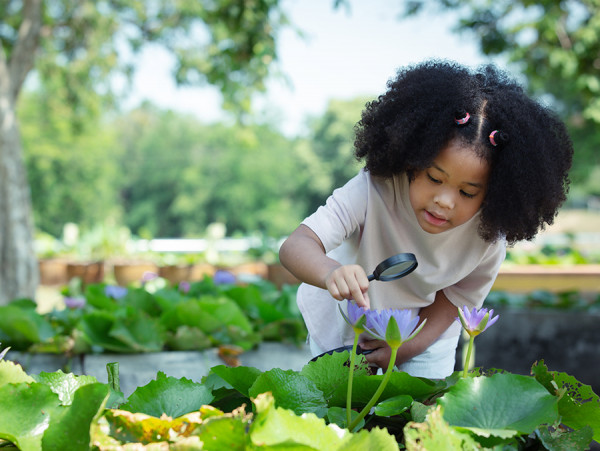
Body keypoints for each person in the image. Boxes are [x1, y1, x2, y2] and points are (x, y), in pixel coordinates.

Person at [278, 60, 573, 379]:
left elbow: (454, 301)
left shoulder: (488, 236)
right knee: (339, 410)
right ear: (411, 160)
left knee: (417, 420)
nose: (445, 201)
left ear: (495, 194)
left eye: (468, 192)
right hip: (345, 324)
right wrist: (330, 273)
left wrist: (407, 347)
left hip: (424, 337)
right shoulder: (374, 188)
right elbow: (296, 246)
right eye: (434, 178)